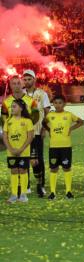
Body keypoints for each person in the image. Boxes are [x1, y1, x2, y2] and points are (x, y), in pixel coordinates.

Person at [1, 76, 39, 194]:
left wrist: (26, 128)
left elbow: (36, 116)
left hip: (27, 135)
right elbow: (3, 119)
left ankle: (28, 186)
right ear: (11, 85)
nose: (16, 86)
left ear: (21, 84)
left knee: (29, 160)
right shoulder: (6, 102)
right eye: (14, 83)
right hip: (13, 136)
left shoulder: (30, 100)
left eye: (18, 83)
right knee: (15, 162)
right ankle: (18, 187)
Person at [42, 95, 83, 200]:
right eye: (55, 103)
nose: (58, 105)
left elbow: (80, 121)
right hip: (54, 147)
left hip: (66, 146)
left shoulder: (68, 115)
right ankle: (52, 192)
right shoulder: (50, 115)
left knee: (66, 168)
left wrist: (71, 128)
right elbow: (43, 123)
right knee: (53, 168)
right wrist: (49, 130)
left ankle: (68, 191)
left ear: (64, 104)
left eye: (60, 103)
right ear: (53, 104)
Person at [22, 69, 51, 197]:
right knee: (25, 158)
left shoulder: (42, 94)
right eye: (25, 79)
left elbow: (47, 111)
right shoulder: (20, 95)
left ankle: (41, 185)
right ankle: (26, 185)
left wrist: (44, 128)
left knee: (39, 159)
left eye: (29, 79)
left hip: (38, 131)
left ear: (34, 79)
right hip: (23, 132)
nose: (27, 81)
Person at [3, 100, 34, 203]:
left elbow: (30, 137)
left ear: (21, 108)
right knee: (14, 171)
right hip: (11, 152)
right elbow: (5, 137)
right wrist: (11, 149)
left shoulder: (27, 121)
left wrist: (21, 149)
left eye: (14, 106)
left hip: (23, 152)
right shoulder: (8, 121)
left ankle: (23, 195)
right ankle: (14, 194)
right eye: (11, 107)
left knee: (22, 170)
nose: (12, 108)